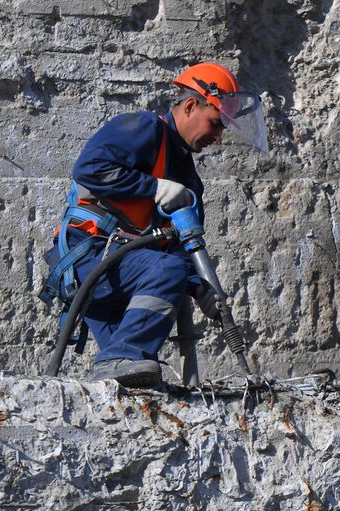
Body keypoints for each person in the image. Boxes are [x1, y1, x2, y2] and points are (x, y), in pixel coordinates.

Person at [40, 62, 268, 388]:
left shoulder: (187, 177)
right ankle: (119, 358)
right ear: (191, 106)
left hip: (121, 278)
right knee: (156, 293)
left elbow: (178, 246)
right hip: (90, 260)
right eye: (216, 124)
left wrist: (199, 287)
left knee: (126, 381)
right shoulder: (143, 128)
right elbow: (89, 169)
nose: (218, 137)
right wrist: (154, 187)